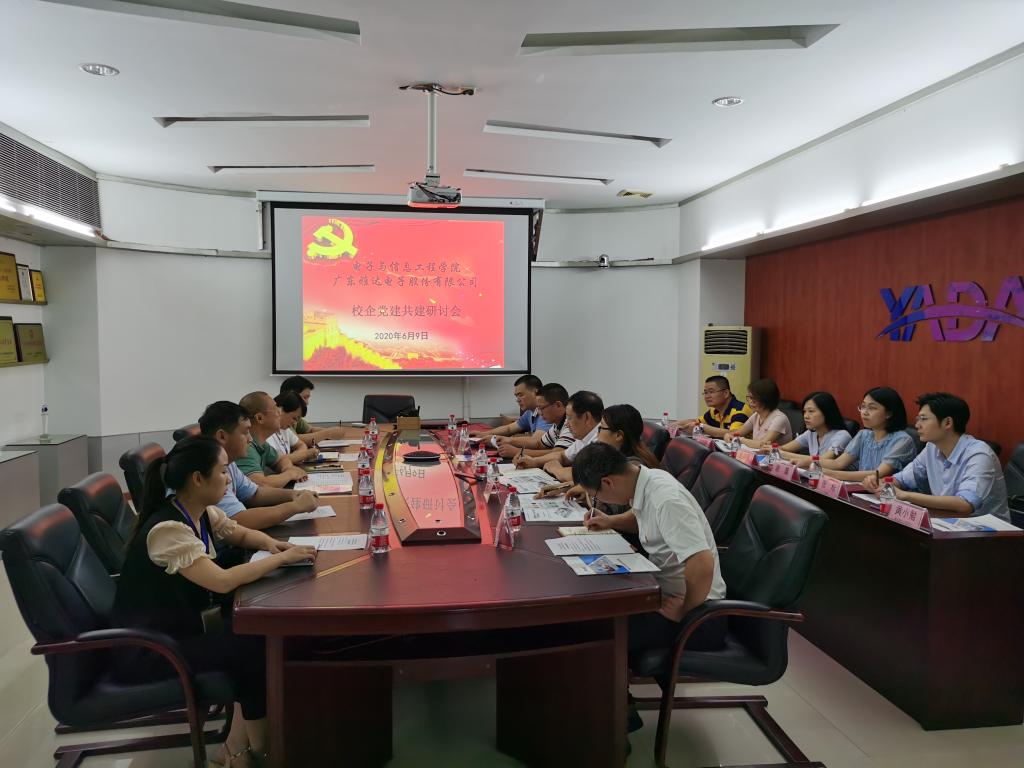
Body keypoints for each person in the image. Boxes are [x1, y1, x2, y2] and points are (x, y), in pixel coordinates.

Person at [112, 435, 317, 767]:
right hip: (153, 648)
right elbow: (222, 580)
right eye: (222, 472)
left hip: (183, 626)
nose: (228, 478)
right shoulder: (167, 530)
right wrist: (280, 559)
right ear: (198, 479)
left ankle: (237, 747)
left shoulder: (201, 512)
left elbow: (241, 533)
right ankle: (259, 749)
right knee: (253, 646)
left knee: (254, 634)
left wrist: (272, 545)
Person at [573, 442, 726, 654]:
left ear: (608, 482)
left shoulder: (667, 500)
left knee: (604, 632)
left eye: (595, 496)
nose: (596, 501)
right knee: (598, 613)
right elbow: (642, 517)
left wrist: (685, 611)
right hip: (663, 593)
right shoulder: (646, 481)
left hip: (699, 614)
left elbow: (702, 563)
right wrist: (610, 521)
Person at [864, 392, 1009, 519]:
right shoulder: (932, 448)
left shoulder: (979, 454)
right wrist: (882, 483)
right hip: (946, 523)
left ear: (947, 422)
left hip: (990, 534)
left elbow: (966, 503)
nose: (917, 425)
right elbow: (903, 479)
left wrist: (904, 495)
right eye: (918, 419)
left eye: (924, 419)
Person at [199, 401, 319, 529]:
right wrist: (295, 506)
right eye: (245, 432)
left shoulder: (229, 463)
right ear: (222, 436)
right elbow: (238, 520)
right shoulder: (208, 468)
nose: (250, 439)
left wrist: (294, 495)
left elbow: (255, 494)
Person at [820, 386, 916, 482]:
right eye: (863, 406)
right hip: (862, 488)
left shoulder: (902, 440)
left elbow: (879, 473)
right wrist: (813, 462)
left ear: (889, 413)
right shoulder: (863, 435)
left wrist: (829, 473)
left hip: (887, 490)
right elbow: (838, 463)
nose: (864, 412)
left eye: (872, 408)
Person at [515, 390, 603, 481]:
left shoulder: (601, 440)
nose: (567, 424)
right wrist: (534, 461)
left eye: (569, 418)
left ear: (587, 417)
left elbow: (586, 477)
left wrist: (556, 469)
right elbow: (563, 456)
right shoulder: (584, 437)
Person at [236, 392, 308, 489]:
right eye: (275, 408)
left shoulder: (261, 443)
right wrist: (290, 474)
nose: (279, 411)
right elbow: (261, 485)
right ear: (260, 418)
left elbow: (281, 459)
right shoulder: (246, 447)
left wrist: (288, 469)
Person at [493, 383, 574, 459]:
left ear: (558, 405)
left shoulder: (570, 424)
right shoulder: (557, 424)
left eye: (542, 408)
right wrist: (509, 441)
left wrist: (518, 452)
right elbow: (539, 444)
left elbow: (558, 454)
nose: (539, 413)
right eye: (538, 408)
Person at [777, 392, 852, 468]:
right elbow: (784, 448)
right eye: (804, 411)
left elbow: (823, 460)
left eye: (811, 411)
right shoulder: (811, 433)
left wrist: (781, 453)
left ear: (826, 412)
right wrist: (773, 448)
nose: (805, 416)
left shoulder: (842, 436)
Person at [470, 374, 550, 438]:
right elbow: (509, 429)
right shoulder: (530, 412)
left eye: (521, 395)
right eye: (516, 396)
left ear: (536, 392)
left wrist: (503, 440)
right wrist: (484, 434)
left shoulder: (546, 412)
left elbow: (536, 441)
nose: (518, 400)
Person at [673, 375, 752, 437]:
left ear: (726, 393)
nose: (707, 396)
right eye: (705, 392)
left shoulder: (740, 410)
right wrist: (674, 425)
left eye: (711, 392)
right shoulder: (714, 411)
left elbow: (734, 434)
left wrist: (703, 428)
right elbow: (696, 422)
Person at [279, 375, 344, 445]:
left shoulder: (295, 415)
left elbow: (310, 430)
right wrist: (327, 433)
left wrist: (333, 432)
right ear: (291, 396)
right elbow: (296, 440)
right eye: (305, 397)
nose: (307, 403)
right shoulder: (281, 415)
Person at [736, 378, 793, 448]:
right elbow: (738, 433)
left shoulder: (779, 419)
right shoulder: (756, 415)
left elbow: (762, 444)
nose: (751, 401)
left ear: (766, 399)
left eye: (755, 398)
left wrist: (740, 439)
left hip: (775, 455)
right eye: (750, 397)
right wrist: (729, 435)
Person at [269, 391, 319, 464]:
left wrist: (297, 456)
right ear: (280, 410)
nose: (294, 423)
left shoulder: (284, 429)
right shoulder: (266, 432)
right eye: (294, 418)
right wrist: (303, 455)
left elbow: (301, 445)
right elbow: (276, 460)